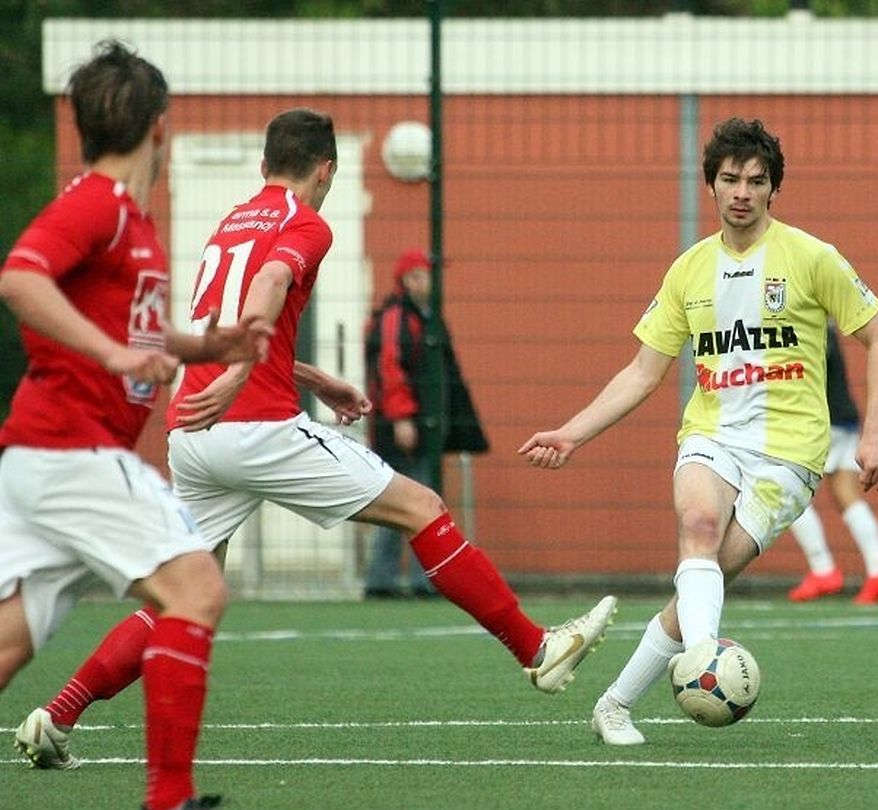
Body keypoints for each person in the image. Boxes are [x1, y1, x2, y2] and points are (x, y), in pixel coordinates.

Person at [15, 107, 616, 773]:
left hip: (194, 433)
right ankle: (537, 649)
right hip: (259, 428)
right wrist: (245, 372)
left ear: (264, 164)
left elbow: (228, 318)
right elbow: (270, 284)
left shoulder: (231, 224)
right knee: (421, 508)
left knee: (178, 595)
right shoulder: (306, 222)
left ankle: (58, 715)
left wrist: (311, 376)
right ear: (326, 170)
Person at [521, 118, 878, 747]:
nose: (742, 192)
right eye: (730, 179)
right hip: (712, 436)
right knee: (697, 528)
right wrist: (571, 433)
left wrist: (876, 432)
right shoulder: (689, 270)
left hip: (790, 456)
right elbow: (642, 372)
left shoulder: (812, 257)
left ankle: (614, 704)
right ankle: (706, 664)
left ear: (773, 188)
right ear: (712, 185)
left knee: (706, 579)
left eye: (756, 180)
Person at [0, 40, 275, 810]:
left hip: (43, 455)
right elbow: (19, 277)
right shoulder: (99, 204)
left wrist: (207, 345)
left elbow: (135, 329)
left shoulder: (130, 219)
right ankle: (168, 808)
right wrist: (113, 353)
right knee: (197, 587)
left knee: (11, 641)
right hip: (72, 446)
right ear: (160, 127)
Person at [362, 247, 489, 599]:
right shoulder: (396, 318)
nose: (429, 282)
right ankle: (385, 580)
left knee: (418, 502)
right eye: (422, 275)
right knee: (402, 503)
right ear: (407, 280)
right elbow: (390, 368)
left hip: (426, 428)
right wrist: (402, 417)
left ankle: (412, 579)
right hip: (401, 429)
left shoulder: (428, 318)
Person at [787, 322, 878, 605]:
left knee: (788, 493)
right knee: (846, 495)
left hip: (821, 422)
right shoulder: (824, 328)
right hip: (843, 417)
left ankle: (822, 568)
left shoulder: (807, 327)